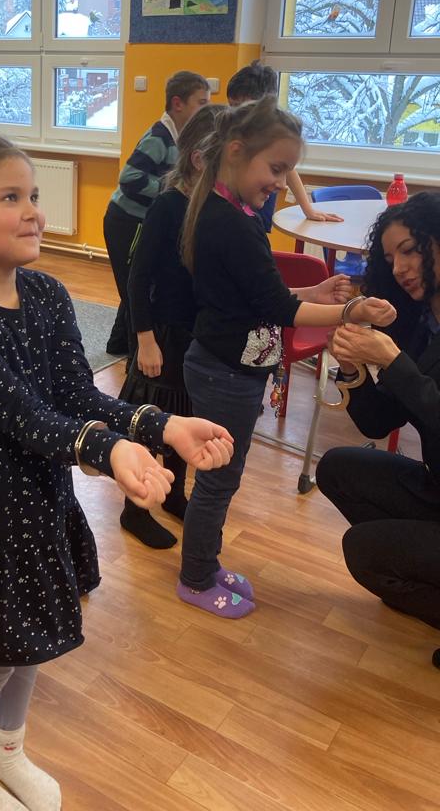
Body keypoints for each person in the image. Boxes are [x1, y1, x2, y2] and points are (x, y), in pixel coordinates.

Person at [0, 133, 234, 811]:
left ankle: (8, 753)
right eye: (10, 197)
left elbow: (78, 397)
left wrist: (161, 425)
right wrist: (110, 453)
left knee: (28, 645)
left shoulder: (48, 294)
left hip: (37, 502)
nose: (33, 211)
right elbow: (27, 418)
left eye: (33, 195)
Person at [177, 97, 397, 619]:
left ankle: (204, 564)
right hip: (224, 373)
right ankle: (196, 578)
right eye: (275, 169)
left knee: (222, 477)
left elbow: (259, 296)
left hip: (230, 364)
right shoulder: (230, 222)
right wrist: (350, 310)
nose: (280, 182)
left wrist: (314, 292)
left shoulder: (236, 211)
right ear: (236, 151)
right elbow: (280, 308)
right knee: (218, 480)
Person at [317, 192, 440, 667]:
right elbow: (377, 421)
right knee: (337, 468)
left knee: (363, 552)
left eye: (410, 250)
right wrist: (352, 368)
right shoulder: (423, 324)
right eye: (391, 259)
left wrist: (392, 362)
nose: (401, 268)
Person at [118, 104, 224, 549]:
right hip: (160, 333)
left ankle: (175, 493)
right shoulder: (166, 206)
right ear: (200, 161)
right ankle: (135, 509)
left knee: (184, 417)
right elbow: (137, 278)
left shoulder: (211, 206)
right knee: (152, 423)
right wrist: (144, 340)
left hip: (190, 335)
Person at [104, 71, 210, 356]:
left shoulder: (181, 139)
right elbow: (130, 178)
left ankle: (117, 344)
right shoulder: (158, 137)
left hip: (143, 220)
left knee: (135, 285)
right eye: (201, 103)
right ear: (178, 104)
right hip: (125, 222)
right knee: (134, 288)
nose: (206, 109)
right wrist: (171, 190)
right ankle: (135, 357)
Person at [226, 60, 343, 232]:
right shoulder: (232, 131)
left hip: (258, 203)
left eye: (241, 107)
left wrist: (308, 209)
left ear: (265, 106)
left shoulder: (272, 131)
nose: (235, 113)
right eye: (232, 106)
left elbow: (288, 169)